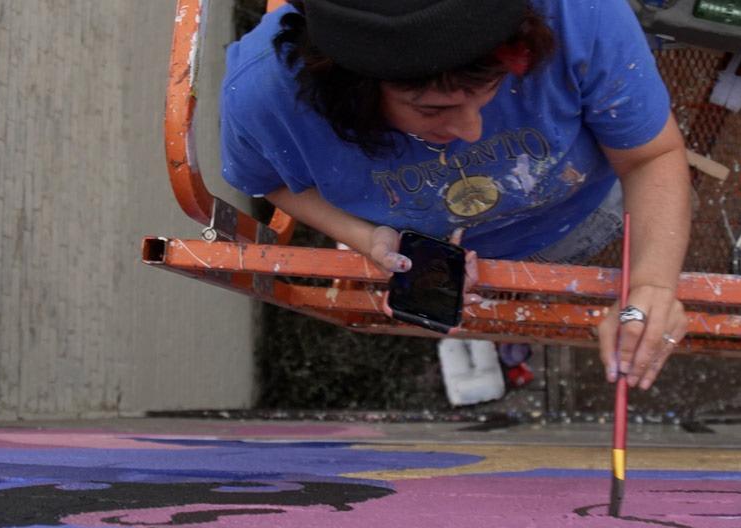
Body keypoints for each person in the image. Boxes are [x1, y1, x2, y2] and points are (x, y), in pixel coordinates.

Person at [220, 0, 692, 389]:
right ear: (353, 91)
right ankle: (503, 344)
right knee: (458, 313)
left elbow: (650, 158)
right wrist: (368, 238)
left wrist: (652, 286)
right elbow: (268, 180)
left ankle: (510, 342)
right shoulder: (265, 94)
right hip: (422, 251)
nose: (470, 128)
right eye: (432, 110)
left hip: (576, 213)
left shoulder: (578, 12)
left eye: (490, 88)